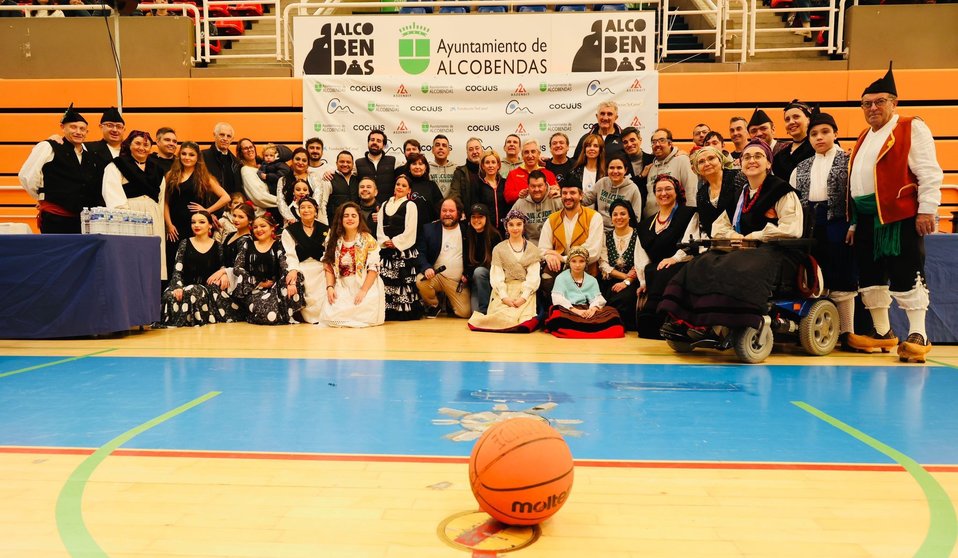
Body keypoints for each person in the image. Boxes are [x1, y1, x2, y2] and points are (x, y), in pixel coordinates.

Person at [845, 63, 944, 362]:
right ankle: (882, 333)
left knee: (906, 271)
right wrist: (852, 223)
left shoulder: (911, 126)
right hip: (864, 218)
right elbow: (858, 181)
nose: (872, 107)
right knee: (870, 276)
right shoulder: (863, 135)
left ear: (894, 102)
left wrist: (927, 209)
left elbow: (929, 172)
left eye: (879, 101)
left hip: (898, 215)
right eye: (866, 103)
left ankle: (918, 334)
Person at [659, 138, 804, 341]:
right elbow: (720, 226)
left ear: (769, 163)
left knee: (733, 266)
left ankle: (720, 324)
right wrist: (734, 236)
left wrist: (754, 237)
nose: (752, 160)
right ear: (741, 163)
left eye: (758, 156)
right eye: (747, 157)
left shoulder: (780, 190)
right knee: (702, 263)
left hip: (775, 251)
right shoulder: (742, 192)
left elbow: (792, 229)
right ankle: (690, 320)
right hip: (745, 249)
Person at [789, 111, 858, 351]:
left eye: (825, 132)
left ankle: (848, 332)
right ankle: (821, 331)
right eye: (814, 134)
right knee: (816, 275)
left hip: (840, 221)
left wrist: (854, 224)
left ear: (835, 133)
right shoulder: (801, 167)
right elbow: (793, 201)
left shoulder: (849, 160)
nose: (819, 137)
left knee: (843, 276)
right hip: (810, 223)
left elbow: (856, 196)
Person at [18, 104, 102, 234]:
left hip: (83, 222)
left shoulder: (90, 155)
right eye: (73, 127)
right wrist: (43, 197)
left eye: (82, 129)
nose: (78, 132)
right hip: (55, 218)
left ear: (87, 132)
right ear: (63, 127)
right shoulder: (48, 146)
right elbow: (27, 176)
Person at [635, 175, 700, 338]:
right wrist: (642, 281)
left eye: (668, 189)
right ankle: (652, 317)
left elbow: (690, 243)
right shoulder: (644, 225)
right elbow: (641, 255)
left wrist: (674, 258)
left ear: (677, 192)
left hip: (681, 264)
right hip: (655, 270)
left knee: (665, 270)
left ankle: (657, 316)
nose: (663, 193)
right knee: (654, 270)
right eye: (659, 190)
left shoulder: (689, 214)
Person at [101, 130, 168, 279]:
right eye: (137, 143)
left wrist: (160, 218)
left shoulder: (157, 170)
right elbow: (112, 195)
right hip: (129, 217)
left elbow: (161, 198)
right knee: (131, 257)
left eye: (146, 144)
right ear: (129, 145)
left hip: (153, 217)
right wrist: (126, 218)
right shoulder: (116, 166)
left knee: (152, 256)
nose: (142, 148)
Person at [467, 210, 541, 333]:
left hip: (524, 290)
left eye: (518, 224)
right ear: (506, 226)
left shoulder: (532, 249)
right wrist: (504, 297)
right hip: (505, 289)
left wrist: (523, 297)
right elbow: (496, 275)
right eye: (511, 224)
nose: (515, 228)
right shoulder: (499, 249)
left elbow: (533, 277)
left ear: (523, 226)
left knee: (523, 320)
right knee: (499, 317)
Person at [163, 141, 230, 274]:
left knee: (191, 259)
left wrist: (207, 211)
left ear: (197, 158)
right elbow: (165, 202)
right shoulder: (171, 175)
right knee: (172, 259)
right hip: (174, 227)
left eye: (191, 155)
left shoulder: (204, 177)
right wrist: (169, 224)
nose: (187, 157)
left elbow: (226, 197)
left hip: (195, 225)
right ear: (179, 155)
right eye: (184, 154)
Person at [159, 211, 234, 327]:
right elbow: (177, 269)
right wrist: (178, 287)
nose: (196, 225)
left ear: (210, 225)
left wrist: (224, 274)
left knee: (194, 291)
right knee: (169, 296)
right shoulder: (184, 243)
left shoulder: (218, 246)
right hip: (184, 284)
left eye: (201, 222)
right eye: (193, 222)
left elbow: (223, 265)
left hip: (206, 288)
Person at [319, 202, 386, 328]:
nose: (350, 218)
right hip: (342, 284)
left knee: (363, 317)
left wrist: (363, 291)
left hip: (364, 283)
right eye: (346, 216)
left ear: (359, 219)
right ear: (341, 219)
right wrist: (330, 287)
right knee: (331, 318)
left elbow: (374, 268)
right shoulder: (332, 239)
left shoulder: (368, 239)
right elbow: (328, 265)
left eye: (354, 216)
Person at [537, 178, 604, 301]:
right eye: (565, 193)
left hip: (585, 268)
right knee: (546, 279)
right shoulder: (552, 219)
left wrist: (561, 258)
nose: (568, 197)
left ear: (581, 195)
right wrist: (549, 256)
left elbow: (593, 252)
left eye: (572, 193)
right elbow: (542, 249)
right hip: (558, 269)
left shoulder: (594, 217)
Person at [233, 213, 305, 325]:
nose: (258, 230)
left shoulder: (279, 245)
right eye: (255, 227)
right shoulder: (247, 244)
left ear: (272, 228)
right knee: (267, 315)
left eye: (263, 226)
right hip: (253, 288)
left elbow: (284, 265)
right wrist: (258, 282)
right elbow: (237, 268)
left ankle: (285, 312)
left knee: (295, 276)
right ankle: (277, 313)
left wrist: (289, 282)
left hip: (276, 288)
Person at [544, 246, 624, 339]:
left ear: (586, 262)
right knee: (557, 315)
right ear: (569, 262)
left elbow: (597, 298)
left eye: (581, 261)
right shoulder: (561, 277)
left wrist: (592, 309)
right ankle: (591, 330)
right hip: (568, 309)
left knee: (612, 312)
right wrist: (576, 311)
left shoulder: (592, 280)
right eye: (574, 261)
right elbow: (557, 298)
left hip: (586, 308)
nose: (577, 265)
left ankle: (582, 329)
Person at [416, 198, 471, 319]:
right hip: (436, 276)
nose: (447, 214)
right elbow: (421, 253)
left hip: (457, 282)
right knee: (420, 280)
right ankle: (434, 305)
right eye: (444, 210)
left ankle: (451, 302)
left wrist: (467, 274)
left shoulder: (466, 230)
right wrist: (426, 268)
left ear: (459, 213)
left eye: (451, 210)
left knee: (465, 313)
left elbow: (473, 256)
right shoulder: (428, 229)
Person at [377, 175, 421, 320]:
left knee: (402, 284)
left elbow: (410, 230)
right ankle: (388, 312)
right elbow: (379, 228)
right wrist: (385, 241)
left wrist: (395, 242)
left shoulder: (410, 205)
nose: (400, 187)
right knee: (387, 284)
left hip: (403, 251)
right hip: (386, 251)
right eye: (398, 184)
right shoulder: (384, 205)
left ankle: (403, 313)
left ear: (409, 190)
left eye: (403, 185)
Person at [281, 197, 329, 324]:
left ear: (316, 210)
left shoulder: (325, 229)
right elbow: (290, 254)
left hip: (320, 267)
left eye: (309, 207)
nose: (306, 210)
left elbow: (329, 252)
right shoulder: (290, 231)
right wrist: (293, 270)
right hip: (301, 266)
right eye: (302, 207)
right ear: (298, 211)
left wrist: (327, 265)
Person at [598, 200, 643, 332]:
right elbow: (603, 264)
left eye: (623, 214)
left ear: (629, 216)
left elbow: (640, 262)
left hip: (633, 281)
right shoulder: (606, 236)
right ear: (611, 218)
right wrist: (623, 276)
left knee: (624, 297)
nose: (619, 217)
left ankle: (620, 327)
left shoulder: (638, 235)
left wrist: (627, 281)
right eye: (615, 214)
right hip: (610, 279)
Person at [582, 155, 644, 231]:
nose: (615, 171)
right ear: (607, 170)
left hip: (620, 231)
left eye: (619, 168)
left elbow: (636, 218)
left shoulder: (633, 189)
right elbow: (586, 199)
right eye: (611, 168)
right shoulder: (602, 182)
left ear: (625, 170)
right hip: (599, 228)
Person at [692, 146, 742, 237]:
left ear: (721, 161)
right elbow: (707, 224)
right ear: (697, 169)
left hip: (743, 235)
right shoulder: (701, 193)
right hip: (719, 241)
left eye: (711, 158)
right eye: (701, 162)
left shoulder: (737, 177)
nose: (707, 163)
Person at [645, 128, 697, 209]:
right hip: (653, 219)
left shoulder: (682, 160)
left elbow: (691, 191)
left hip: (676, 218)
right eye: (654, 142)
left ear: (670, 143)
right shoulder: (651, 168)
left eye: (662, 140)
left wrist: (691, 214)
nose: (657, 144)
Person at [465, 203, 501, 315]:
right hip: (476, 282)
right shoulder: (467, 235)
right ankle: (483, 309)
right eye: (473, 217)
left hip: (491, 279)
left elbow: (499, 264)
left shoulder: (494, 235)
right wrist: (465, 274)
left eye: (480, 217)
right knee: (474, 312)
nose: (476, 220)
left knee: (479, 271)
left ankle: (485, 310)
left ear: (486, 218)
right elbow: (466, 261)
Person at [212, 202, 253, 296]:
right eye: (234, 216)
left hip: (236, 279)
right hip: (222, 274)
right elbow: (221, 257)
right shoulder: (231, 234)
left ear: (250, 220)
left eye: (241, 217)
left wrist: (226, 273)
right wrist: (223, 272)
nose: (236, 219)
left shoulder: (248, 240)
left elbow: (241, 266)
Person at [279, 148, 327, 226]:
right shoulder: (282, 180)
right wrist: (291, 219)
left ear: (308, 163)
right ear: (292, 160)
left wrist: (308, 216)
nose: (300, 162)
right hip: (291, 223)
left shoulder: (314, 177)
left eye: (304, 160)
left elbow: (318, 198)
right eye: (297, 159)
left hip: (312, 221)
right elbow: (281, 202)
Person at [511, 170, 562, 242]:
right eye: (533, 186)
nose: (536, 189)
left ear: (546, 185)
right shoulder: (521, 203)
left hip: (554, 244)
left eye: (540, 186)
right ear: (528, 186)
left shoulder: (555, 199)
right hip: (529, 246)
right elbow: (509, 223)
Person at [771, 100, 815, 180]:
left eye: (796, 117)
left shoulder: (817, 149)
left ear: (808, 119)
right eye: (787, 119)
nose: (791, 122)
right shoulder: (779, 156)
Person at [504, 140, 558, 205]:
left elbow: (556, 195)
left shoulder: (549, 174)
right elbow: (507, 197)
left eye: (533, 152)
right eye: (526, 152)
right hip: (521, 213)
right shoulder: (513, 174)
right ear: (522, 156)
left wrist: (555, 191)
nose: (530, 155)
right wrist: (520, 193)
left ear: (538, 154)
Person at [237, 138, 278, 219]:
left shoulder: (263, 166)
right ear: (241, 153)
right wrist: (282, 201)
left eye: (251, 147)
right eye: (245, 148)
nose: (249, 150)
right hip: (262, 217)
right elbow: (259, 197)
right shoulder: (246, 170)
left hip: (273, 211)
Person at [356, 130, 397, 204]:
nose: (375, 142)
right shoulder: (358, 163)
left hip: (387, 208)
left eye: (378, 141)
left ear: (383, 145)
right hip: (365, 209)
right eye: (372, 140)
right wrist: (330, 172)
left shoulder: (393, 161)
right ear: (368, 143)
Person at [474, 150, 510, 233]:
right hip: (486, 230)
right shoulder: (478, 184)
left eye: (493, 162)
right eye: (487, 162)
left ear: (498, 165)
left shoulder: (505, 183)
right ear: (483, 166)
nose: (490, 165)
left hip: (504, 229)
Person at [202, 122, 242, 195]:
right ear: (214, 135)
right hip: (210, 204)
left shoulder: (236, 162)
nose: (225, 139)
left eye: (228, 136)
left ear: (232, 139)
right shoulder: (202, 156)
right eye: (222, 135)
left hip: (231, 204)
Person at [405, 153, 444, 226]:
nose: (417, 167)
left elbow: (440, 208)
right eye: (414, 164)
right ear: (409, 168)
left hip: (428, 230)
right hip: (406, 229)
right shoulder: (403, 184)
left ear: (425, 167)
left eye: (420, 164)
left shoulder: (431, 185)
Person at [449, 137, 484, 211]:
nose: (474, 152)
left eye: (477, 148)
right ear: (467, 153)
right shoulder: (459, 172)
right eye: (471, 149)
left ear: (482, 150)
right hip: (466, 217)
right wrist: (461, 211)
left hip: (487, 217)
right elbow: (455, 195)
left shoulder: (489, 171)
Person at [86, 107, 125, 172]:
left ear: (124, 129)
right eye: (110, 125)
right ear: (101, 127)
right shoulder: (89, 148)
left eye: (118, 126)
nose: (115, 130)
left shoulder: (131, 150)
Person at [619, 126, 654, 198]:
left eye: (632, 140)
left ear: (640, 140)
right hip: (627, 206)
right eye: (625, 142)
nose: (629, 144)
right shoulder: (620, 163)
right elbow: (620, 185)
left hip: (650, 206)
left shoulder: (652, 160)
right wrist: (641, 176)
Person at [327, 151, 359, 226]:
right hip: (335, 224)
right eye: (342, 161)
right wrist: (325, 226)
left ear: (352, 164)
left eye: (348, 162)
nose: (345, 164)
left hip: (355, 224)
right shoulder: (329, 179)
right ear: (336, 163)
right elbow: (323, 205)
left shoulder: (357, 179)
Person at [569, 134, 606, 198]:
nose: (592, 148)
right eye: (588, 146)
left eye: (595, 146)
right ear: (584, 149)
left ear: (600, 150)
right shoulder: (574, 172)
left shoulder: (605, 174)